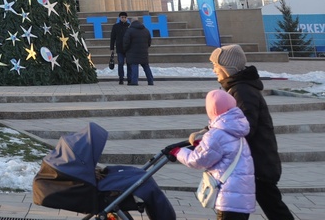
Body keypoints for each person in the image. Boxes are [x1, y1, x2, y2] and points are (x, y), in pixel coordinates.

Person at [208, 44, 295, 220]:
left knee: (272, 207)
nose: (213, 69)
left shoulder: (242, 91)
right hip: (253, 161)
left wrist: (213, 137)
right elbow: (231, 122)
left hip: (257, 163)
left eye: (216, 65)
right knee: (263, 206)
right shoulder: (238, 88)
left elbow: (244, 126)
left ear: (227, 68)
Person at [169, 89, 255, 220]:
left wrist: (178, 152)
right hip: (241, 195)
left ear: (212, 110)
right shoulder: (237, 130)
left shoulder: (217, 134)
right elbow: (222, 150)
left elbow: (198, 160)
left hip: (229, 198)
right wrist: (201, 144)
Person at [121, 16, 153, 86]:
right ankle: (150, 81)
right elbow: (149, 41)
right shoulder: (146, 30)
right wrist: (145, 47)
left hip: (132, 52)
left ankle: (134, 81)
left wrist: (125, 50)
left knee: (134, 66)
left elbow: (126, 42)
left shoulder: (130, 30)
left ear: (131, 22)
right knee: (146, 66)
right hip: (143, 52)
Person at [109, 12, 130, 84]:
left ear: (127, 18)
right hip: (120, 48)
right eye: (122, 17)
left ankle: (129, 78)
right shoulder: (116, 26)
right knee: (120, 63)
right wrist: (112, 48)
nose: (123, 19)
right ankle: (121, 78)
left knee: (129, 63)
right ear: (119, 18)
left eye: (125, 17)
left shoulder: (129, 26)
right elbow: (112, 38)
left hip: (128, 48)